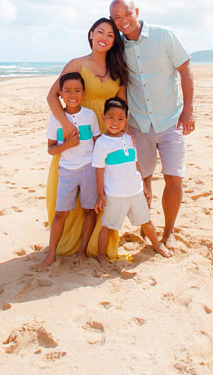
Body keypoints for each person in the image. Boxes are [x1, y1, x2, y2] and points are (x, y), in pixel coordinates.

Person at [109, 0, 194, 250]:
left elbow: (186, 70)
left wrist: (188, 111)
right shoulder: (118, 48)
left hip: (171, 120)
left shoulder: (164, 36)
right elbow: (121, 86)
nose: (123, 21)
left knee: (174, 178)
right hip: (138, 124)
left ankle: (169, 231)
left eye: (127, 14)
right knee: (143, 180)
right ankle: (148, 230)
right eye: (116, 18)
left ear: (136, 11)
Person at [45, 17, 130, 261]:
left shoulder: (118, 69)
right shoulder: (76, 63)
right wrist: (65, 124)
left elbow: (122, 104)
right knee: (68, 190)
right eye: (100, 32)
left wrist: (123, 133)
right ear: (91, 34)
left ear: (115, 42)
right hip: (77, 136)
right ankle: (65, 245)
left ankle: (95, 246)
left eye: (111, 35)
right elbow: (53, 96)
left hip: (107, 132)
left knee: (102, 191)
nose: (104, 37)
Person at [93, 97, 172, 268]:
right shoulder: (102, 143)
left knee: (147, 221)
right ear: (103, 117)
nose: (115, 122)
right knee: (108, 226)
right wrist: (100, 194)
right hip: (115, 195)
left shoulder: (129, 139)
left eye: (120, 119)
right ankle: (100, 256)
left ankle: (157, 245)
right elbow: (99, 170)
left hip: (135, 192)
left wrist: (143, 186)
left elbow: (135, 164)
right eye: (111, 118)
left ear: (126, 121)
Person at [39, 72, 100, 269]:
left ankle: (82, 251)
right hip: (66, 171)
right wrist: (67, 145)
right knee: (60, 214)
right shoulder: (56, 118)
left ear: (83, 93)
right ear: (61, 94)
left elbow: (97, 142)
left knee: (89, 211)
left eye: (77, 90)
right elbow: (51, 149)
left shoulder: (90, 116)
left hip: (89, 168)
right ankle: (51, 254)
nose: (72, 94)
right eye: (67, 91)